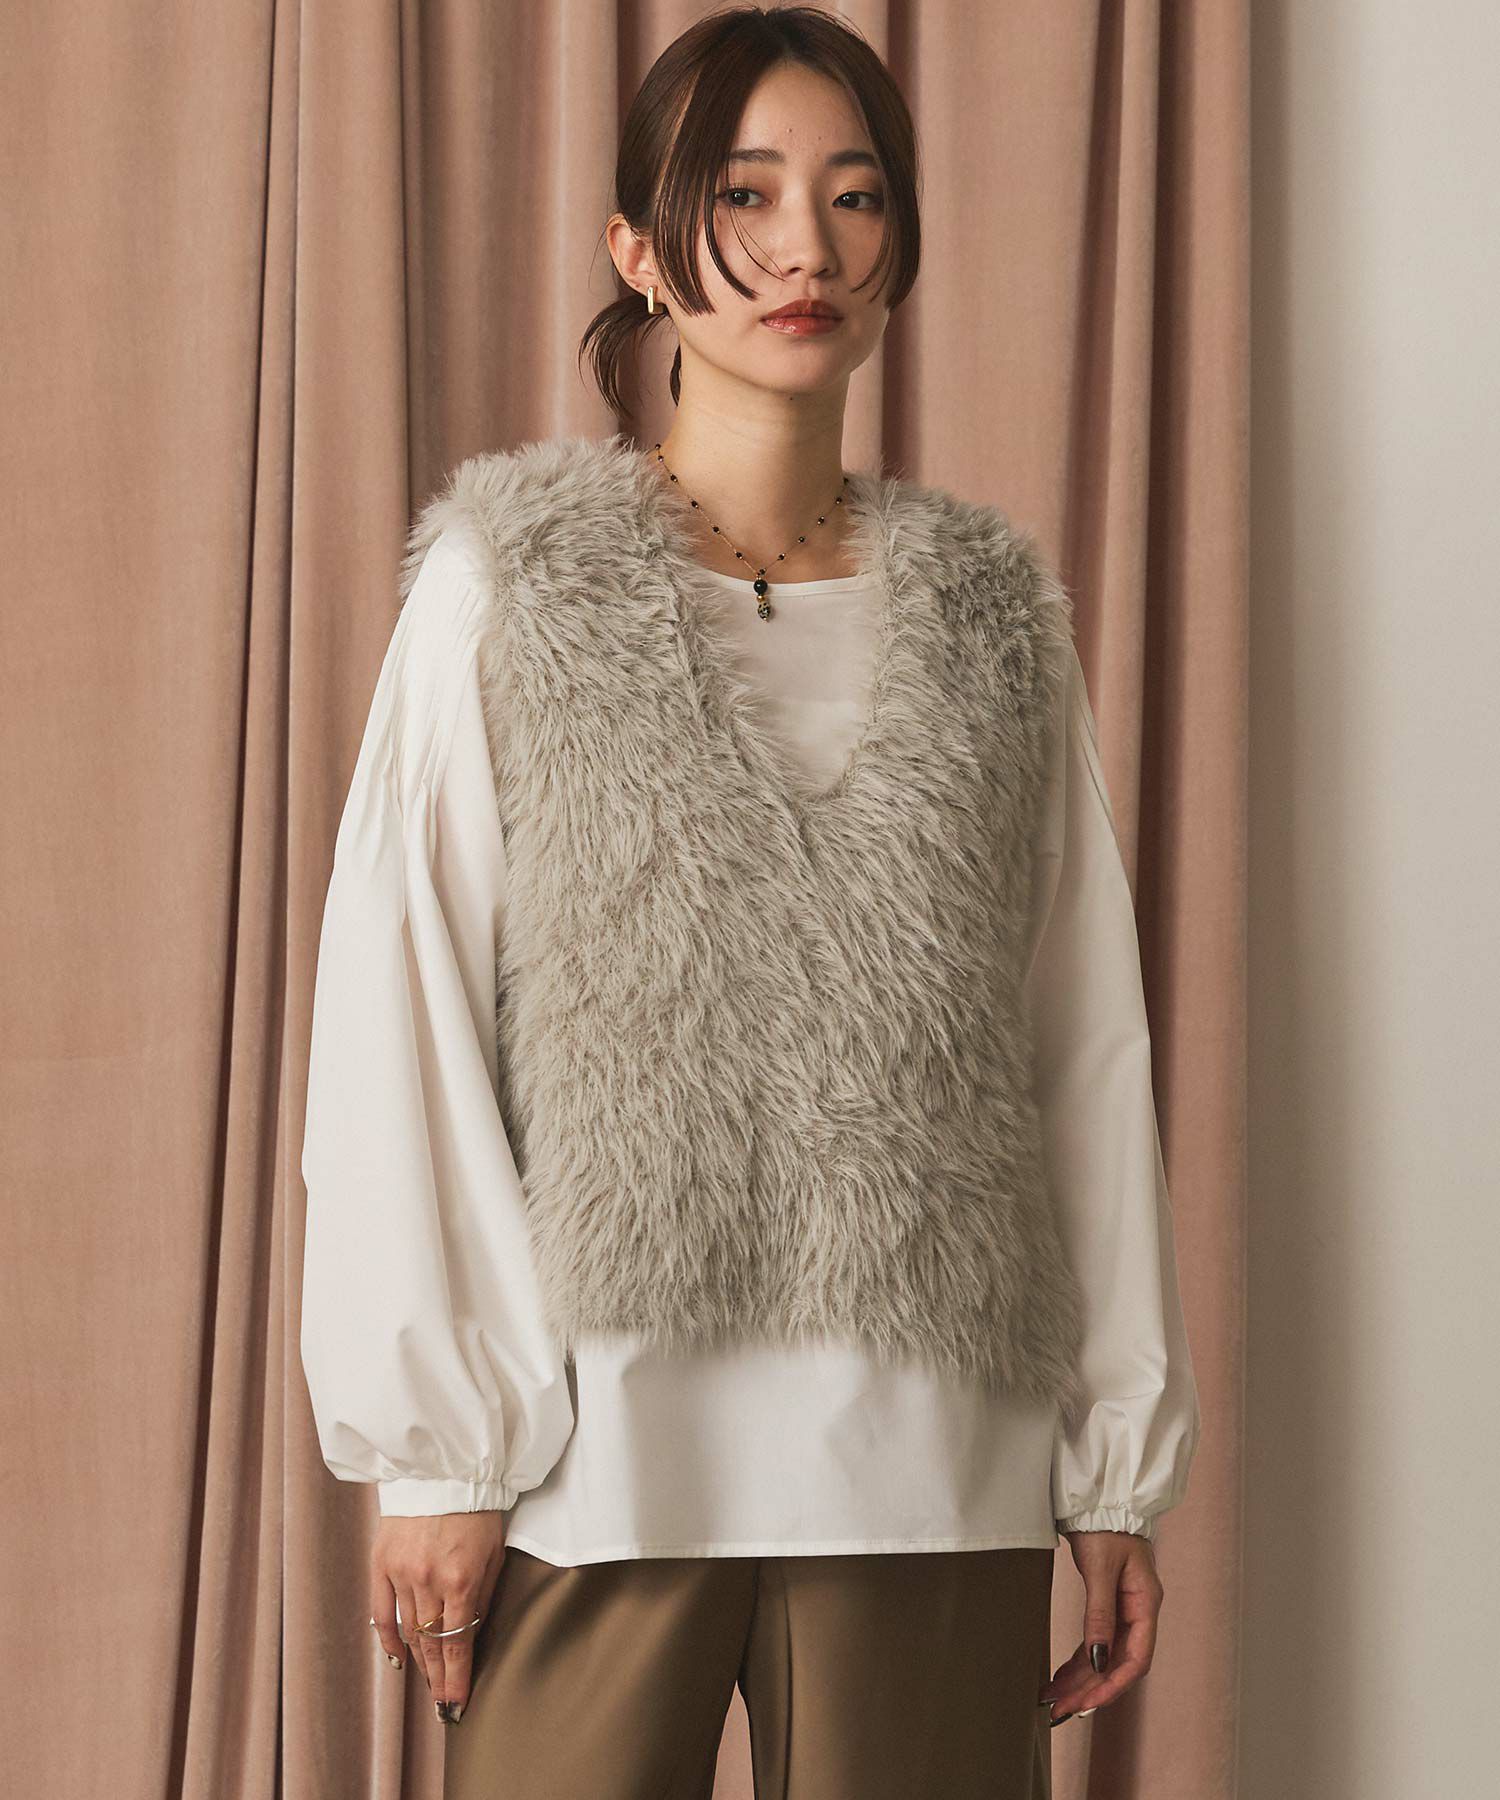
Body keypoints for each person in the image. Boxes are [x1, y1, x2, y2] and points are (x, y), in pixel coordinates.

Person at [299, 7, 1201, 1796]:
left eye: (856, 197)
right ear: (639, 250)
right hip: (597, 1457)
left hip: (934, 1463)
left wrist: (1112, 1467)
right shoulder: (510, 589)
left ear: (900, 248)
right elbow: (401, 1010)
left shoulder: (994, 622)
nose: (808, 248)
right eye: (746, 194)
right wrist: (438, 1452)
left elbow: (1080, 1052)